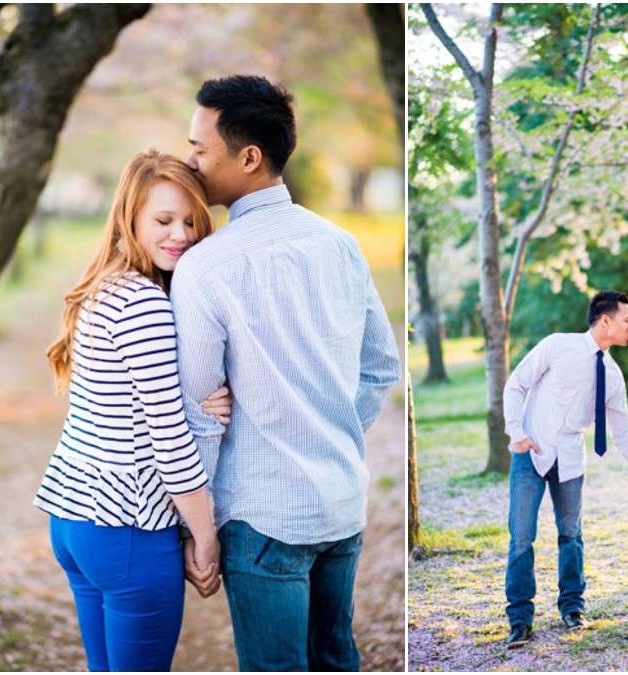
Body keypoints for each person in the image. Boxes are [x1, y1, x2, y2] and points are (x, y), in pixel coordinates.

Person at [169, 75, 401, 671]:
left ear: (248, 157)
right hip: (340, 504)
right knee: (334, 657)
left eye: (200, 148)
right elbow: (380, 367)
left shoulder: (205, 266)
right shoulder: (340, 243)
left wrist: (199, 529)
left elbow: (198, 405)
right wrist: (329, 427)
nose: (189, 160)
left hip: (261, 515)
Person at [34, 149, 233, 671]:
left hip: (74, 518)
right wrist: (206, 537)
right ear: (130, 218)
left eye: (191, 221)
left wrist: (202, 400)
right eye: (163, 221)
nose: (182, 234)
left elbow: (130, 406)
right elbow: (167, 439)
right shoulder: (144, 302)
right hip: (127, 530)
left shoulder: (106, 287)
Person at [502, 290, 628, 649]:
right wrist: (518, 434)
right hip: (531, 454)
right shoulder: (557, 345)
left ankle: (573, 608)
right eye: (627, 320)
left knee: (571, 536)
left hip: (571, 460)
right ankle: (519, 620)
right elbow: (516, 384)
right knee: (521, 538)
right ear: (605, 320)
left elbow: (622, 433)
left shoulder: (613, 375)